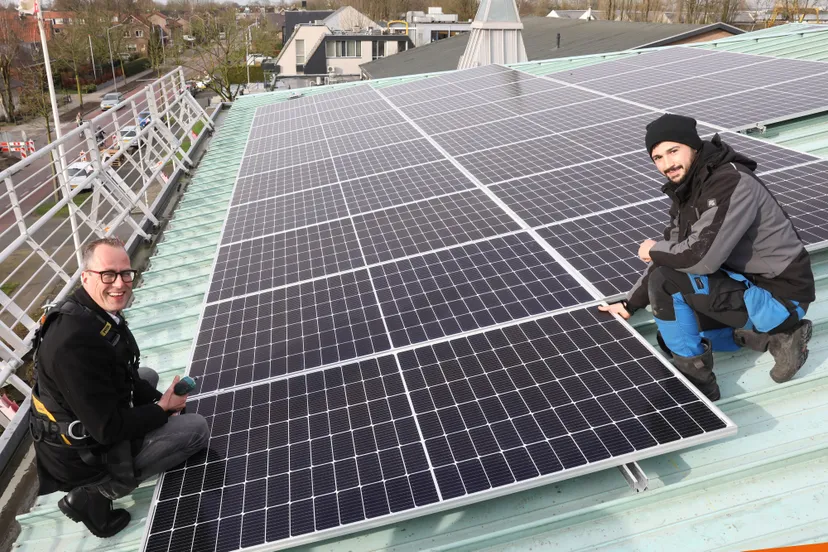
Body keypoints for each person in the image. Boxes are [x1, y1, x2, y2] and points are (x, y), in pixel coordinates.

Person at [599, 114, 815, 401]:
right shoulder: (688, 192)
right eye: (658, 157)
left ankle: (699, 387)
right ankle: (776, 339)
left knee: (668, 286)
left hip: (782, 295)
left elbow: (700, 259)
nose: (667, 164)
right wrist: (629, 303)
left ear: (693, 146)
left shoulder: (730, 182)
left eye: (673, 151)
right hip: (744, 285)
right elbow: (673, 253)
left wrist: (652, 249)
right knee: (672, 333)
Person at [29, 237, 209, 538]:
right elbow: (107, 430)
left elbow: (125, 370)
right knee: (196, 430)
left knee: (147, 376)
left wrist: (156, 401)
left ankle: (146, 424)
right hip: (81, 457)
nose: (121, 283)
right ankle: (95, 494)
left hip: (86, 422)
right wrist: (161, 410)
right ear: (86, 276)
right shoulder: (72, 345)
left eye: (126, 273)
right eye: (108, 274)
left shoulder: (88, 311)